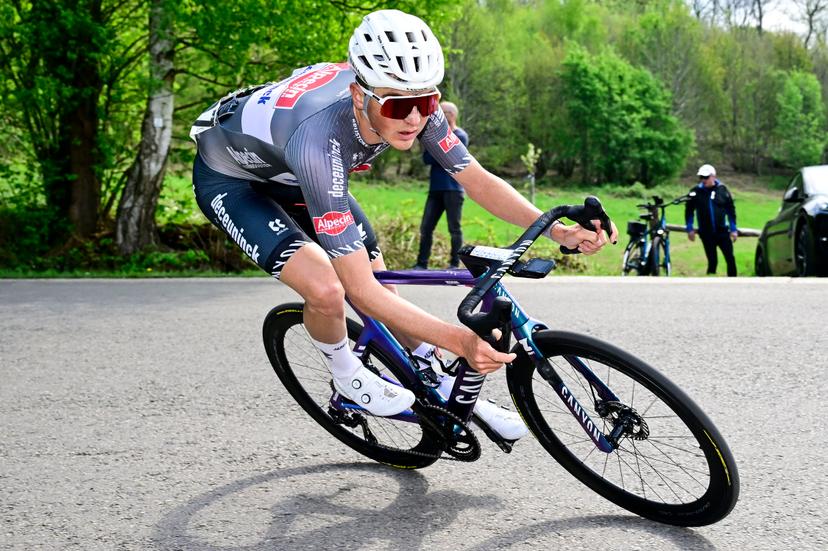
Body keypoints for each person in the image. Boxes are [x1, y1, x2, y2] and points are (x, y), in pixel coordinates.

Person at [189, 9, 617, 439]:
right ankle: (346, 375)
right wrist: (460, 341)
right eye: (399, 105)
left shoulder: (411, 102)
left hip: (297, 172)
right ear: (361, 96)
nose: (415, 119)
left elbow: (476, 180)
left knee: (381, 281)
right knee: (328, 287)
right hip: (235, 180)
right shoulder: (320, 141)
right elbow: (358, 291)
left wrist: (557, 230)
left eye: (426, 102)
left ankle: (434, 375)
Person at [413, 101, 468, 269]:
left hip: (453, 190)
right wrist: (439, 152)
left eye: (442, 112)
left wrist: (438, 153)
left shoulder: (460, 136)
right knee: (426, 227)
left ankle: (454, 263)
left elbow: (450, 158)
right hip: (435, 189)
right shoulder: (433, 137)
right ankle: (421, 264)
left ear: (451, 115)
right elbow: (427, 159)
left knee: (454, 228)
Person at [685, 164, 738, 277]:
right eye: (701, 177)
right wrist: (689, 228)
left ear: (713, 176)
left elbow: (731, 210)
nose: (703, 180)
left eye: (706, 177)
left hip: (722, 231)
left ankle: (734, 282)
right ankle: (710, 282)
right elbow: (689, 211)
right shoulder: (695, 192)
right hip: (706, 232)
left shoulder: (722, 190)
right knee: (712, 261)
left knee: (730, 258)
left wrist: (733, 229)